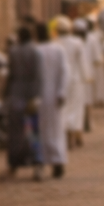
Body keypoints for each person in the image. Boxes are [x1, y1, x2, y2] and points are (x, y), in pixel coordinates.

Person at [3, 24, 42, 181]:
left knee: (15, 131)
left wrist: (6, 93)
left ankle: (14, 163)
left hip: (16, 95)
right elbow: (38, 76)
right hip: (31, 95)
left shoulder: (13, 51)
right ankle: (37, 164)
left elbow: (10, 75)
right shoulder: (36, 51)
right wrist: (36, 95)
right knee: (34, 131)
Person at [34, 21, 69, 177]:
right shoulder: (58, 49)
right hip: (53, 97)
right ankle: (55, 162)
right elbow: (65, 72)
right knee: (54, 130)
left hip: (42, 97)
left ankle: (45, 163)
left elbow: (63, 72)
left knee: (41, 131)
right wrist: (61, 92)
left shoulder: (36, 50)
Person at [60, 18, 89, 148]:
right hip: (76, 80)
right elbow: (83, 63)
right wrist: (86, 76)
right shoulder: (77, 43)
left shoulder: (55, 43)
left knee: (64, 108)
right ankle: (75, 134)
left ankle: (67, 134)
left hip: (61, 80)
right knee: (76, 108)